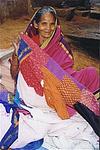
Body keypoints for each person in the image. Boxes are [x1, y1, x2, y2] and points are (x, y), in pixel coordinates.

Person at [0, 6, 99, 150]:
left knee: (91, 73)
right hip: (38, 90)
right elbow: (15, 75)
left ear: (56, 24)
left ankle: (76, 101)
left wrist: (56, 78)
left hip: (60, 82)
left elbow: (64, 70)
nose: (48, 28)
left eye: (52, 24)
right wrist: (16, 58)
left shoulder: (60, 43)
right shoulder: (27, 45)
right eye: (44, 23)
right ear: (36, 24)